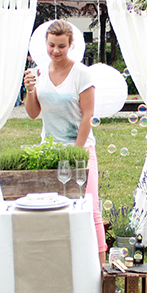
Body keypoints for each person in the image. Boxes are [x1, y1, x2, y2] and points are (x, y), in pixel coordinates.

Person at [23, 20, 106, 263]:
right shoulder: (37, 74)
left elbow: (87, 116)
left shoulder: (81, 74)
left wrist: (76, 154)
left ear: (71, 45)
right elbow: (33, 113)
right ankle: (62, 260)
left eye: (61, 46)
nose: (56, 51)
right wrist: (29, 91)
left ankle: (100, 267)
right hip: (49, 150)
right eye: (51, 45)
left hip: (80, 148)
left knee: (90, 208)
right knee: (53, 208)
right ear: (45, 44)